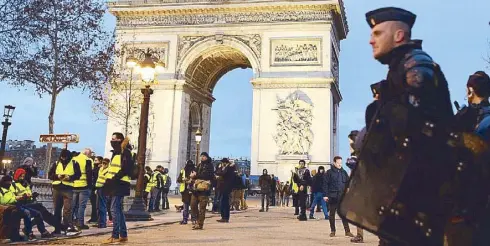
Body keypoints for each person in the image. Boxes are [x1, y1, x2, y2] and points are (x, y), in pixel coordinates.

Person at [360, 7, 453, 245]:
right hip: (407, 201)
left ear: (399, 35)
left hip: (419, 200)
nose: (371, 40)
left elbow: (413, 127)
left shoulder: (416, 66)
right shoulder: (400, 68)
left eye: (378, 33)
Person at [102, 132, 133, 243]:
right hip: (115, 183)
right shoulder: (117, 152)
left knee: (114, 210)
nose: (111, 140)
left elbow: (126, 168)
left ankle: (115, 236)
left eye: (114, 139)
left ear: (119, 140)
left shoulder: (125, 152)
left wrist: (114, 178)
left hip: (120, 183)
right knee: (118, 210)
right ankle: (123, 235)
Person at [48, 149, 82, 236]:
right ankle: (57, 229)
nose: (63, 159)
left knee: (67, 210)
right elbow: (50, 175)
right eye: (62, 157)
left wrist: (69, 177)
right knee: (57, 210)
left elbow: (78, 175)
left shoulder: (74, 163)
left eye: (65, 157)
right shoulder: (56, 163)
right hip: (57, 188)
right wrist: (57, 176)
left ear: (69, 157)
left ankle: (67, 228)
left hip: (68, 188)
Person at [325, 156, 353, 237]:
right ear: (334, 163)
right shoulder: (329, 173)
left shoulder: (343, 172)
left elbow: (348, 182)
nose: (340, 164)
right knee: (332, 215)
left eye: (341, 163)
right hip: (333, 196)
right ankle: (333, 231)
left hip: (342, 197)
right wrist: (325, 195)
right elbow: (325, 184)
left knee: (344, 214)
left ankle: (347, 231)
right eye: (338, 163)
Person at [190, 152, 215, 230]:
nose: (202, 158)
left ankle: (200, 224)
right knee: (193, 205)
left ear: (207, 157)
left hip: (204, 189)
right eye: (201, 156)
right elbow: (195, 173)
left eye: (203, 156)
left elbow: (207, 176)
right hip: (196, 189)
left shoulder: (210, 166)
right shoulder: (199, 165)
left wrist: (196, 175)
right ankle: (197, 220)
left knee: (202, 208)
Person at [72, 148, 93, 230]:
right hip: (84, 185)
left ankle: (69, 222)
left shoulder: (74, 159)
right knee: (81, 206)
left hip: (74, 185)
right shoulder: (88, 160)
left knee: (72, 206)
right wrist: (90, 186)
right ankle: (80, 223)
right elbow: (89, 174)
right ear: (87, 154)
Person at [215, 158, 235, 223]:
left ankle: (225, 217)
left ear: (225, 163)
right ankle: (223, 217)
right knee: (222, 203)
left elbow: (221, 174)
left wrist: (219, 169)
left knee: (225, 203)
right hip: (223, 188)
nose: (222, 164)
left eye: (222, 163)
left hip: (226, 188)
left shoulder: (229, 168)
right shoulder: (226, 168)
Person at [177, 160, 196, 225]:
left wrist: (190, 180)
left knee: (188, 206)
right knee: (191, 206)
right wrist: (184, 180)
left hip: (191, 190)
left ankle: (186, 219)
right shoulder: (185, 171)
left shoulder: (194, 170)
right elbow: (179, 179)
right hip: (187, 190)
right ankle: (191, 219)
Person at [94, 157, 110, 228]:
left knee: (102, 206)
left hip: (104, 188)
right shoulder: (100, 169)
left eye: (105, 163)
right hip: (98, 188)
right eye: (103, 163)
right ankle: (99, 222)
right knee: (98, 206)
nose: (103, 164)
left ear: (108, 164)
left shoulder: (108, 170)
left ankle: (103, 223)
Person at [88, 156, 100, 225]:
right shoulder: (95, 168)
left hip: (96, 188)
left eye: (96, 160)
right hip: (93, 187)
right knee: (93, 204)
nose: (94, 162)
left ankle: (95, 218)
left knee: (95, 204)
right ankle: (93, 217)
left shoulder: (98, 169)